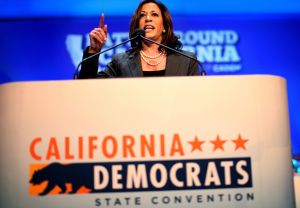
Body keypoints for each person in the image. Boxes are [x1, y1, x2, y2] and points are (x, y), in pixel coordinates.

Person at [78, 0, 200, 78]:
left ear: (164, 27)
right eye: (142, 15)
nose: (148, 18)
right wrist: (93, 51)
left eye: (154, 14)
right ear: (137, 26)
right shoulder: (120, 62)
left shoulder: (187, 61)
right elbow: (88, 88)